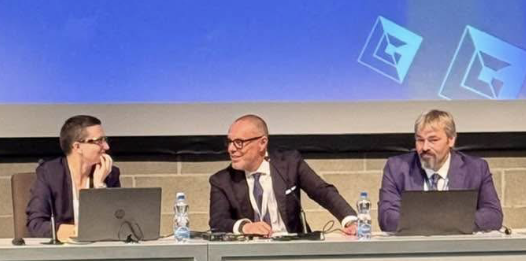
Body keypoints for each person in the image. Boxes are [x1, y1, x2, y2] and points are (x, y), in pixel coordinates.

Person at [209, 114, 357, 237]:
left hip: (292, 248)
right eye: (229, 142)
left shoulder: (290, 163)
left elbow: (322, 192)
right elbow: (217, 222)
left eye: (239, 142)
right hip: (248, 252)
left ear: (262, 143)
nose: (231, 149)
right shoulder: (222, 181)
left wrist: (350, 220)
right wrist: (245, 227)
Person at [378, 109, 503, 232]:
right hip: (415, 244)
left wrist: (444, 222)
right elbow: (387, 218)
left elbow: (493, 215)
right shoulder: (396, 168)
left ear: (451, 140)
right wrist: (442, 222)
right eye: (420, 140)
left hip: (459, 243)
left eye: (433, 140)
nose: (425, 147)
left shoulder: (475, 169)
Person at [26, 115, 120, 241]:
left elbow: (116, 224)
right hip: (62, 250)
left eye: (105, 140)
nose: (106, 146)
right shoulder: (50, 173)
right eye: (99, 141)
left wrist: (100, 186)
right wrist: (77, 231)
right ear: (77, 147)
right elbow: (36, 224)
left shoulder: (110, 174)